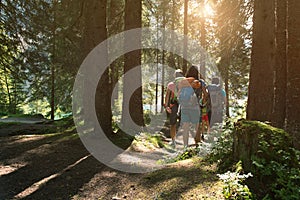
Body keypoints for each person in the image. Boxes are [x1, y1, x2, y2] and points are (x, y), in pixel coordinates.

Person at [178, 65, 207, 147]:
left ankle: (185, 146)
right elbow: (206, 94)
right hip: (195, 107)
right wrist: (203, 102)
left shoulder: (184, 81)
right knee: (197, 125)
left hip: (184, 107)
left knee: (185, 127)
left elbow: (179, 93)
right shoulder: (200, 82)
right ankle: (197, 144)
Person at [164, 69, 184, 147]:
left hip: (174, 105)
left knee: (173, 123)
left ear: (175, 76)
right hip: (184, 104)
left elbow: (167, 96)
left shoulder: (171, 84)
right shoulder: (186, 84)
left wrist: (166, 106)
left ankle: (173, 141)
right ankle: (185, 142)